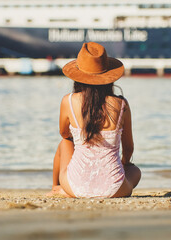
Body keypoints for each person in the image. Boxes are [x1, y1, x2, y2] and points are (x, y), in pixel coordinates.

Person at [48, 42, 141, 198]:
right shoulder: (121, 104)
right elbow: (129, 148)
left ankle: (56, 188)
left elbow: (64, 134)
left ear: (78, 77)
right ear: (109, 77)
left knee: (65, 143)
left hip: (75, 186)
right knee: (135, 171)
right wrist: (124, 164)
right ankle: (110, 183)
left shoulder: (69, 101)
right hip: (115, 189)